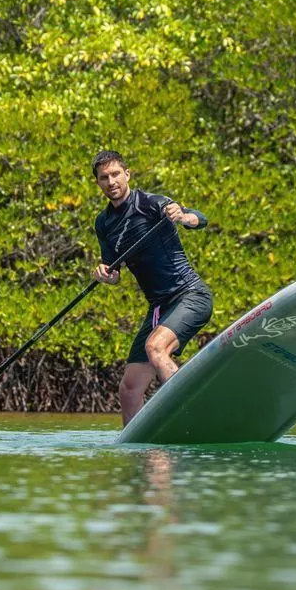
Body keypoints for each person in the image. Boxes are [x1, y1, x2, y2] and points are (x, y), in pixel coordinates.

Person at [91, 150, 213, 426]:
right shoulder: (103, 223)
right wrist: (105, 275)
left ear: (127, 174)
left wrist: (182, 216)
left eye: (115, 175)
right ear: (97, 183)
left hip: (190, 295)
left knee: (156, 348)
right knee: (129, 387)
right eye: (103, 178)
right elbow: (113, 270)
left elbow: (200, 219)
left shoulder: (151, 203)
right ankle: (137, 445)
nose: (111, 182)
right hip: (159, 307)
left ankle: (196, 419)